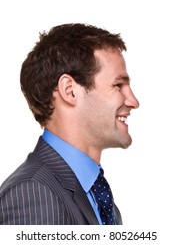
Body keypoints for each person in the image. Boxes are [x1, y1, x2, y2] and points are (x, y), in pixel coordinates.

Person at [0, 23, 139, 225]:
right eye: (118, 85)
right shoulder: (34, 193)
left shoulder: (98, 197)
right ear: (70, 91)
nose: (133, 101)